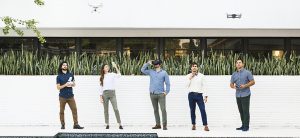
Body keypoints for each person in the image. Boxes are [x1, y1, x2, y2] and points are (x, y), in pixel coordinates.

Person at [141, 59, 170, 130]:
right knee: (155, 110)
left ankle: (164, 125)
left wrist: (166, 92)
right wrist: (148, 63)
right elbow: (142, 70)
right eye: (154, 64)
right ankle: (158, 124)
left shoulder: (164, 73)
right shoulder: (151, 71)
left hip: (161, 94)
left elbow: (168, 83)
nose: (155, 65)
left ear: (160, 64)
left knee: (163, 109)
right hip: (152, 94)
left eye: (156, 64)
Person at [56, 61, 84, 129]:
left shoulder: (71, 74)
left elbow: (74, 84)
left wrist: (72, 84)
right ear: (61, 67)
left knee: (74, 110)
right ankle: (63, 125)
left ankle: (76, 124)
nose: (65, 66)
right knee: (62, 111)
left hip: (71, 96)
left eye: (66, 65)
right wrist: (65, 85)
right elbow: (58, 87)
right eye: (63, 65)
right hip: (62, 96)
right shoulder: (58, 76)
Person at [230, 59, 255, 131]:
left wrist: (245, 85)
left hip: (246, 94)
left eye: (240, 62)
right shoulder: (234, 74)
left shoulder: (247, 73)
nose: (238, 64)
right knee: (241, 111)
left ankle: (246, 126)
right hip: (238, 95)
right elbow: (231, 84)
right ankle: (243, 125)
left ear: (243, 64)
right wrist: (233, 86)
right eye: (237, 63)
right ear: (235, 65)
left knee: (245, 111)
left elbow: (253, 82)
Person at [186, 62, 209, 131]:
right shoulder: (188, 76)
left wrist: (205, 95)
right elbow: (186, 85)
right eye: (193, 66)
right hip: (191, 95)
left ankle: (205, 125)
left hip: (199, 95)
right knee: (192, 110)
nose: (194, 67)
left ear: (197, 67)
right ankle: (193, 125)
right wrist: (190, 78)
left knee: (202, 109)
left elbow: (205, 85)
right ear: (191, 68)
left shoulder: (201, 76)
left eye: (195, 66)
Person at [99, 62, 123, 129]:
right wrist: (100, 97)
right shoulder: (101, 77)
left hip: (112, 93)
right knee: (106, 110)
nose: (107, 67)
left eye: (108, 66)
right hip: (105, 94)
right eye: (106, 67)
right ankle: (107, 124)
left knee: (116, 109)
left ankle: (120, 124)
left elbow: (119, 75)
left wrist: (115, 67)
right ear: (103, 69)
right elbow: (101, 88)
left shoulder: (112, 74)